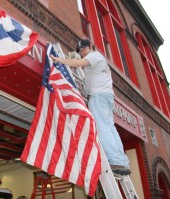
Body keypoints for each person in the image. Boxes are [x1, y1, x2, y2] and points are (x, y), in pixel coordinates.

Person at [50, 39, 131, 176]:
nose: (82, 53)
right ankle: (122, 161)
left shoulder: (94, 56)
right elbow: (80, 63)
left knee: (102, 127)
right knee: (110, 128)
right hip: (106, 96)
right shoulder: (98, 61)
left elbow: (77, 63)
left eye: (83, 49)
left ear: (91, 46)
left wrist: (58, 59)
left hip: (98, 96)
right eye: (80, 51)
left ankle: (115, 160)